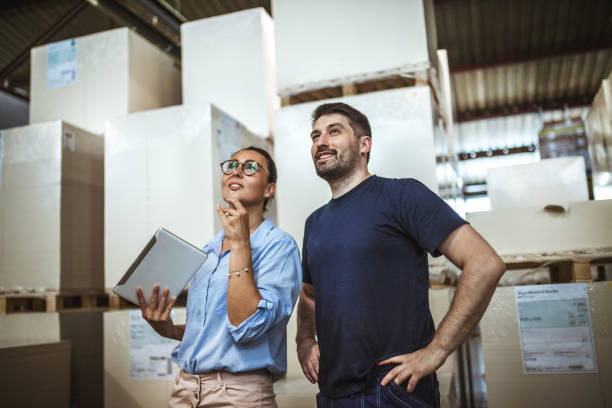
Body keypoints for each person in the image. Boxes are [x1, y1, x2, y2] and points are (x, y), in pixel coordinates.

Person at [296, 103, 506, 407]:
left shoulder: (402, 196)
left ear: (364, 144)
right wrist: (304, 339)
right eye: (315, 136)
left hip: (391, 390)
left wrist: (436, 351)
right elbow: (310, 294)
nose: (320, 142)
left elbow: (485, 263)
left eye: (334, 131)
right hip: (332, 393)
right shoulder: (314, 222)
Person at [136, 146, 302, 408]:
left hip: (237, 394)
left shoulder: (279, 247)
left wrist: (240, 246)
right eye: (232, 165)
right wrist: (168, 329)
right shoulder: (208, 251)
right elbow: (213, 331)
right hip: (185, 389)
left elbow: (247, 326)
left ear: (270, 189)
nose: (236, 171)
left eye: (250, 167)